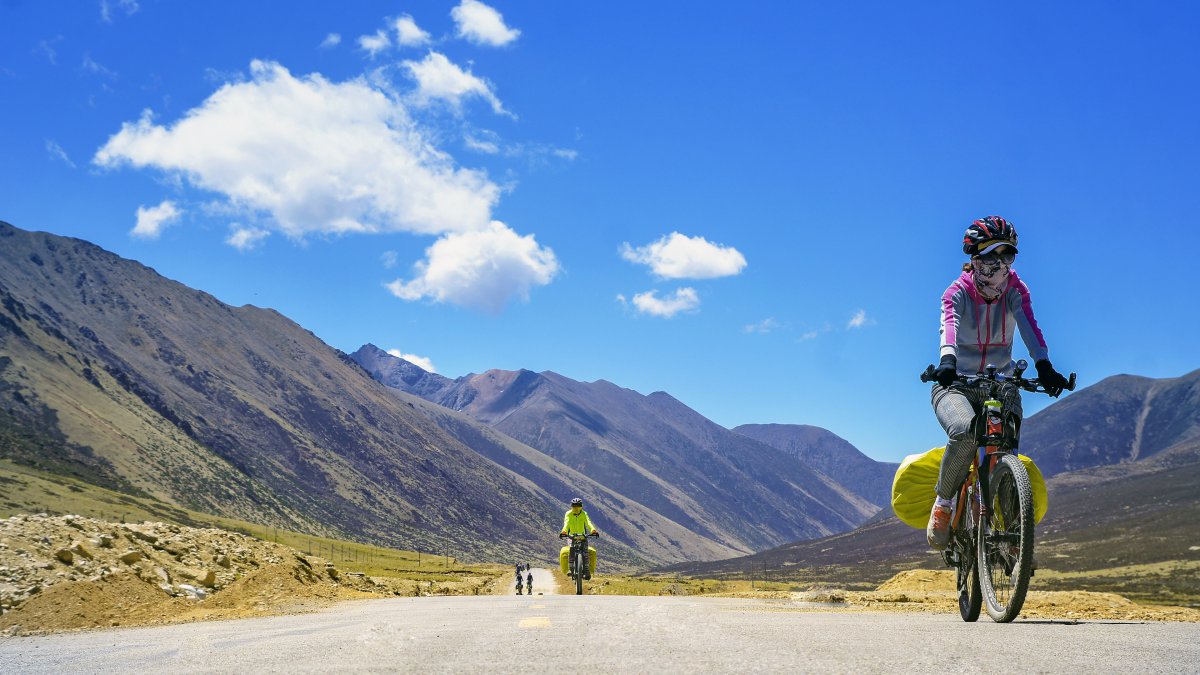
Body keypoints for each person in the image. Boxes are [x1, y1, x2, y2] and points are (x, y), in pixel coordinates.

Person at [927, 216, 1070, 551]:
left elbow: (1029, 326)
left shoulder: (1016, 291)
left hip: (1000, 383)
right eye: (993, 257)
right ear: (975, 259)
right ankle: (944, 503)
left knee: (1006, 447)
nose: (1001, 265)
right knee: (964, 429)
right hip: (956, 384)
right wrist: (947, 360)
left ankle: (1016, 538)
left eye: (1008, 256)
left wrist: (1044, 364)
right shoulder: (956, 293)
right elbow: (949, 324)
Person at [559, 497, 599, 578]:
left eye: (578, 506)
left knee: (585, 552)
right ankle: (570, 568)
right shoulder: (568, 514)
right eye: (574, 506)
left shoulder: (584, 514)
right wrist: (564, 531)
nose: (576, 507)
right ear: (571, 506)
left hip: (582, 536)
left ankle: (587, 570)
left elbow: (588, 522)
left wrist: (593, 530)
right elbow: (566, 523)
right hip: (571, 537)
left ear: (581, 506)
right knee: (572, 550)